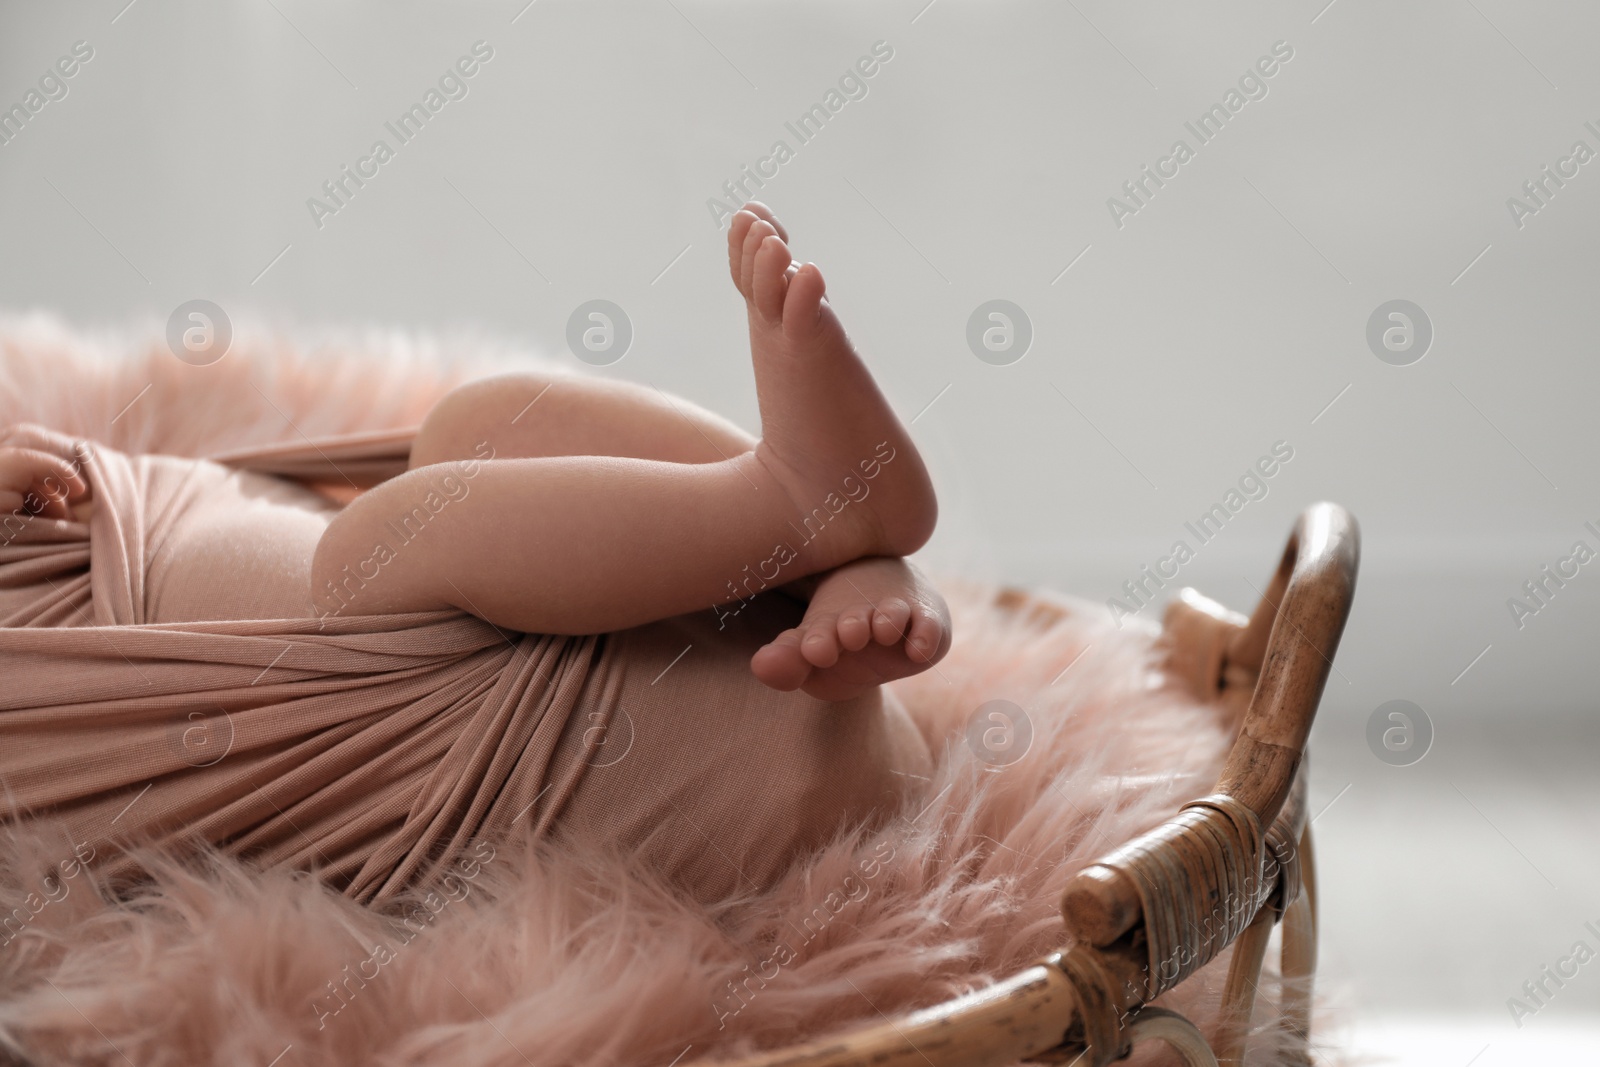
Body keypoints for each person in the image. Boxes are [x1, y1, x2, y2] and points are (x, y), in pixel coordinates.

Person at [0, 203, 948, 904]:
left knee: (475, 425)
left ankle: (820, 540)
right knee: (370, 553)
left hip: (736, 639)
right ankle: (790, 505)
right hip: (486, 738)